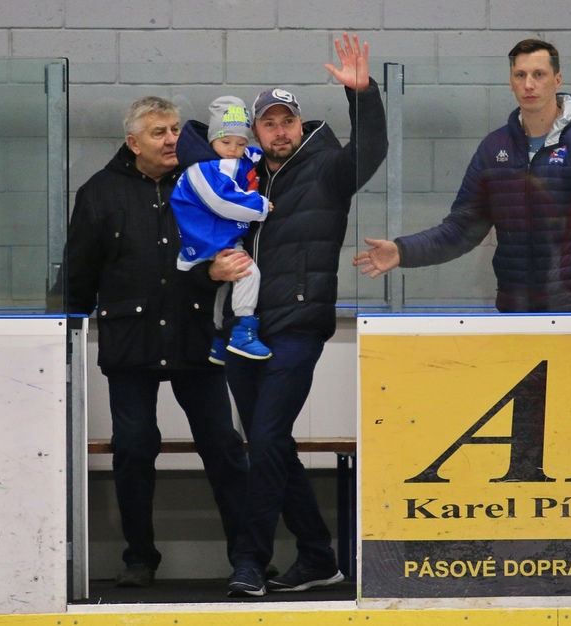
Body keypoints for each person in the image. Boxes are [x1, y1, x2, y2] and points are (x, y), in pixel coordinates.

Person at [224, 32, 389, 597]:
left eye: (287, 121)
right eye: (268, 123)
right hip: (242, 331)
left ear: (300, 125)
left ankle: (250, 560)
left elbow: (371, 149)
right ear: (256, 132)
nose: (280, 131)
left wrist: (362, 95)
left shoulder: (328, 171)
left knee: (268, 434)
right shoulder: (238, 179)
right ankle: (318, 557)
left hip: (298, 324)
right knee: (269, 443)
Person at [63, 95, 252, 587]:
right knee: (132, 449)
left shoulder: (203, 179)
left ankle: (248, 558)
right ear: (133, 142)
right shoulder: (99, 192)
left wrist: (219, 278)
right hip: (131, 342)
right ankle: (139, 559)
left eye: (174, 130)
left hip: (197, 335)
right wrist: (63, 335)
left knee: (224, 447)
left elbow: (233, 245)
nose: (172, 140)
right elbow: (79, 274)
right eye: (159, 133)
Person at [354, 39, 571, 313]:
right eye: (520, 75)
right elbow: (462, 228)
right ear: (510, 82)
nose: (528, 84)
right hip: (515, 313)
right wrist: (402, 251)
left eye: (539, 74)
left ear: (557, 80)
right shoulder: (494, 148)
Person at [170, 96, 273, 365]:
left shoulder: (232, 157)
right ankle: (243, 331)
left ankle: (218, 341)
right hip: (208, 239)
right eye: (226, 142)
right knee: (248, 272)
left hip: (217, 237)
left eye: (241, 143)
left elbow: (252, 156)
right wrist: (261, 206)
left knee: (225, 285)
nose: (233, 150)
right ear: (212, 139)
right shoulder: (203, 167)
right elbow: (222, 200)